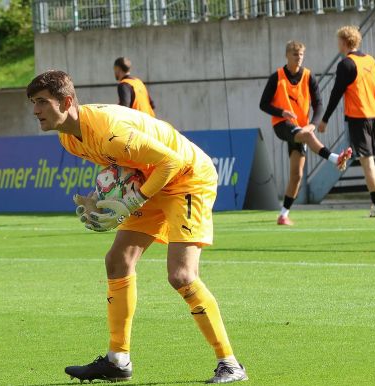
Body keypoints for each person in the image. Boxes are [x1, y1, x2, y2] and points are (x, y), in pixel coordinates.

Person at [26, 71, 248, 384]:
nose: (35, 110)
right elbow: (122, 167)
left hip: (187, 177)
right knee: (117, 261)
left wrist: (133, 201)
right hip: (152, 179)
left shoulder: (109, 131)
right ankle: (118, 360)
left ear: (67, 101)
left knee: (181, 275)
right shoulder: (69, 138)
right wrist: (99, 197)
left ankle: (230, 363)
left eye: (42, 102)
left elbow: (170, 162)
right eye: (33, 103)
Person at [260, 41, 353, 225]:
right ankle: (335, 158)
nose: (299, 57)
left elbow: (318, 104)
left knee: (297, 175)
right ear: (287, 55)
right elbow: (263, 104)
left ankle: (283, 215)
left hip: (301, 128)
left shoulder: (309, 76)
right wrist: (281, 112)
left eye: (301, 54)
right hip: (282, 125)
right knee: (308, 136)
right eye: (295, 54)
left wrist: (312, 124)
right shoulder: (277, 77)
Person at [319, 26, 375, 218]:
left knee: (367, 161)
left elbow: (336, 93)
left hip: (359, 116)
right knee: (369, 159)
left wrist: (324, 119)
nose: (337, 44)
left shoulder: (346, 64)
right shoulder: (370, 60)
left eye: (339, 40)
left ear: (345, 42)